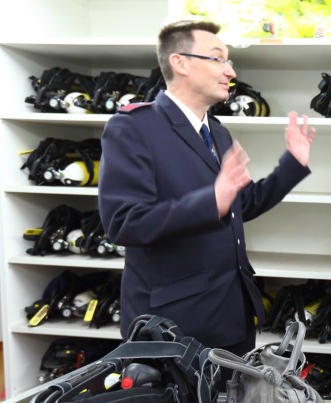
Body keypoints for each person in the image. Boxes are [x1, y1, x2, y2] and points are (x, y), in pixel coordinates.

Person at [99, 20, 316, 356]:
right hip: (173, 325)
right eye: (218, 59)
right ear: (180, 63)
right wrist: (212, 200)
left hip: (232, 315)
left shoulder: (217, 131)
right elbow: (124, 222)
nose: (230, 71)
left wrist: (292, 165)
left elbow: (240, 204)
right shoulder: (133, 127)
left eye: (229, 61)